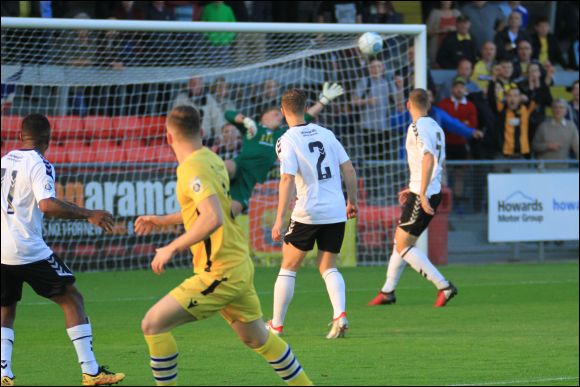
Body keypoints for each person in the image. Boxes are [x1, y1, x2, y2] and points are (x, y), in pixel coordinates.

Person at [135, 106, 313, 387]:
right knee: (257, 338)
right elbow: (207, 209)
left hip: (219, 272)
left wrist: (171, 247)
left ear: (168, 137)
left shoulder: (191, 168)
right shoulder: (213, 159)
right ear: (202, 132)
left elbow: (212, 217)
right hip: (237, 264)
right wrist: (161, 220)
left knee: (153, 324)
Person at [0, 114, 125, 387]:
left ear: (21, 136)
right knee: (72, 299)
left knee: (5, 307)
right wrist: (88, 213)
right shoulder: (39, 164)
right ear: (48, 139)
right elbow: (47, 205)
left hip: (1, 249)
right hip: (28, 249)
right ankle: (91, 372)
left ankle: (3, 374)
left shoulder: (5, 160)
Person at [270, 89, 358, 338]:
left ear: (282, 109)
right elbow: (349, 169)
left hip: (307, 212)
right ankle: (339, 315)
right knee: (328, 267)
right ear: (305, 105)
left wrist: (279, 219)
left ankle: (276, 325)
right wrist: (352, 201)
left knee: (288, 267)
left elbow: (287, 178)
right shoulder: (327, 133)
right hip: (335, 211)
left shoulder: (286, 139)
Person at [368, 89, 458, 307]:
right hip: (423, 189)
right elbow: (438, 162)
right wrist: (415, 187)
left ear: (408, 104)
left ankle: (444, 286)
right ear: (428, 104)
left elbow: (428, 158)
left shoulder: (417, 127)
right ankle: (387, 291)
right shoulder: (436, 127)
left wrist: (422, 191)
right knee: (400, 242)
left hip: (423, 193)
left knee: (403, 244)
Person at [224, 82, 344, 216]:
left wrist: (323, 101)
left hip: (249, 181)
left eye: (280, 115)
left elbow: (306, 117)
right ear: (263, 116)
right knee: (226, 166)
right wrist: (245, 120)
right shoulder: (253, 128)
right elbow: (228, 114)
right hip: (240, 165)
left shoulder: (282, 134)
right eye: (275, 113)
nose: (279, 116)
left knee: (228, 216)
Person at [437, 78, 479, 200]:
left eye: (462, 87)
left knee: (459, 174)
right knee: (442, 173)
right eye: (457, 87)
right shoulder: (443, 104)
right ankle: (443, 200)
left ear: (466, 90)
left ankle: (457, 200)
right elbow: (442, 124)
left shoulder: (470, 106)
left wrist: (454, 125)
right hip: (445, 145)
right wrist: (460, 124)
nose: (459, 90)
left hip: (461, 145)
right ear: (452, 89)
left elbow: (471, 125)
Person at [533, 98, 579, 167]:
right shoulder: (543, 126)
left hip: (563, 169)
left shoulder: (571, 127)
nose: (558, 110)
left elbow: (577, 147)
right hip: (543, 170)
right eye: (555, 107)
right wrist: (547, 146)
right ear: (552, 110)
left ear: (566, 111)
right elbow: (534, 146)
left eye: (561, 108)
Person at [426, 1, 462, 66]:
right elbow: (427, 31)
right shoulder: (434, 13)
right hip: (437, 47)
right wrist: (440, 30)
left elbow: (463, 30)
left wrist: (453, 29)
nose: (446, 2)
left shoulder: (457, 13)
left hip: (454, 47)